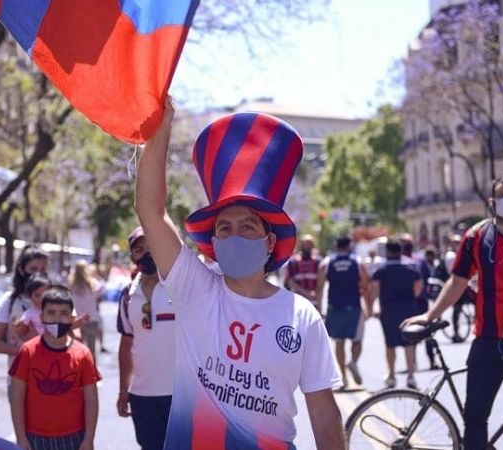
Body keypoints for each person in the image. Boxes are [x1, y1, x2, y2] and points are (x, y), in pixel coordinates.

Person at [135, 101, 345, 449]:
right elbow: (150, 212)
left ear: (269, 242)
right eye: (224, 228)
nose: (235, 235)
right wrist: (160, 129)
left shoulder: (302, 316)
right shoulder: (194, 288)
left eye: (248, 227)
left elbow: (324, 415)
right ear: (213, 242)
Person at [402, 175, 503, 450]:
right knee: (475, 417)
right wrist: (430, 315)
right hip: (487, 340)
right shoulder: (475, 237)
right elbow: (458, 281)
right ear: (492, 202)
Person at [9, 286, 100, 450]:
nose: (57, 319)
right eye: (51, 313)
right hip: (35, 437)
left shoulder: (83, 353)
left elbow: (91, 399)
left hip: (74, 437)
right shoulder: (27, 352)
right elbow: (16, 397)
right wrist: (21, 438)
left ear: (72, 318)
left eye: (64, 313)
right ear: (41, 316)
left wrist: (89, 439)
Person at [116, 227, 176, 450]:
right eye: (140, 249)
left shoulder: (180, 286)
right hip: (142, 395)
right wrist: (124, 390)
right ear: (132, 256)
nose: (147, 253)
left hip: (180, 394)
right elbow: (126, 344)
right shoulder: (127, 295)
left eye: (152, 246)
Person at [366, 240, 422, 389]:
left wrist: (372, 308)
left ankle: (391, 376)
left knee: (390, 344)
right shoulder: (411, 267)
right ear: (400, 251)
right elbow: (418, 287)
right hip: (409, 309)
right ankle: (411, 376)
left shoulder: (381, 269)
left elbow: (375, 290)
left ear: (387, 252)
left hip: (389, 310)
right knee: (408, 342)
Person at [0, 245, 50, 377]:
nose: (38, 274)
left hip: (52, 374)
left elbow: (73, 335)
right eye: (33, 269)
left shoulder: (57, 299)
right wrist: (24, 352)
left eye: (43, 269)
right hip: (20, 377)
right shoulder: (10, 301)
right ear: (22, 270)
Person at [316, 236, 369, 389]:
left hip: (335, 306)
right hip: (354, 306)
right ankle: (353, 361)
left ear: (336, 245)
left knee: (339, 342)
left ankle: (344, 378)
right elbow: (365, 284)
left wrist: (319, 308)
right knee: (357, 340)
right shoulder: (358, 262)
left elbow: (319, 288)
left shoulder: (326, 263)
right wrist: (368, 305)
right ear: (349, 245)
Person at [68, 260, 105, 359]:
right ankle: (92, 371)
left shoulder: (71, 285)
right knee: (91, 349)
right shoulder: (92, 284)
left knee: (76, 349)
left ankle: (79, 371)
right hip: (91, 318)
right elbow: (102, 288)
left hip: (76, 320)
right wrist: (97, 276)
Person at [284, 234, 322, 311]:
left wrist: (317, 297)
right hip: (298, 302)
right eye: (305, 244)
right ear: (301, 245)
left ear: (313, 246)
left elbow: (321, 282)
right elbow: (290, 281)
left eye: (309, 244)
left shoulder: (319, 262)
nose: (307, 246)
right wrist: (306, 293)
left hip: (314, 302)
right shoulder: (293, 262)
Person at [13, 274, 51, 341]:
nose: (41, 299)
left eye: (45, 294)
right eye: (37, 295)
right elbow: (19, 327)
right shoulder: (30, 313)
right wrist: (19, 325)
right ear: (30, 297)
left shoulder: (56, 309)